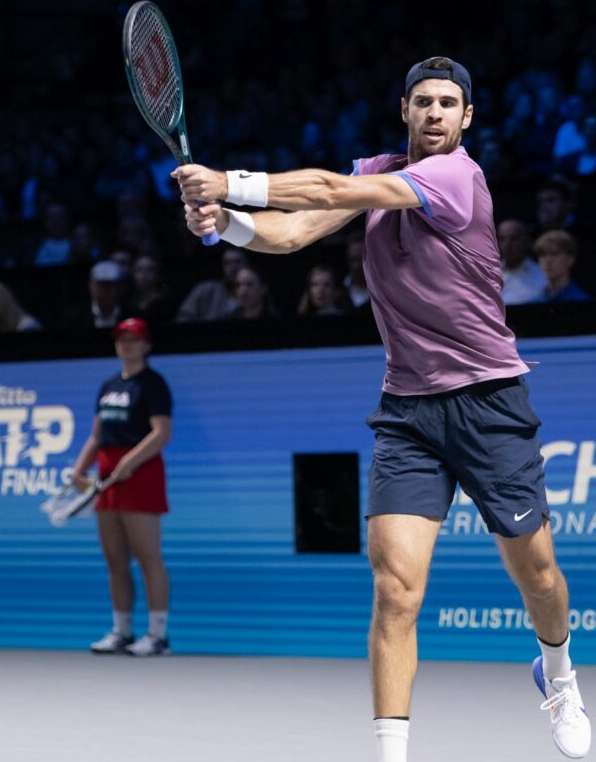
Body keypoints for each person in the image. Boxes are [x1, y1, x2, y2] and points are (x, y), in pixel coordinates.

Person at [173, 56, 590, 761]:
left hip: (489, 402)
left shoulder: (457, 178)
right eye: (422, 101)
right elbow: (294, 233)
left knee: (539, 574)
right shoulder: (377, 171)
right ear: (405, 111)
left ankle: (558, 674)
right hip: (407, 413)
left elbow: (332, 188)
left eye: (448, 103)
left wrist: (230, 183)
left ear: (467, 118)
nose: (435, 113)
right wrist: (227, 226)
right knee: (395, 589)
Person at [69, 317, 173, 657]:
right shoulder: (108, 385)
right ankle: (121, 631)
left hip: (140, 474)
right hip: (107, 477)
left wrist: (131, 461)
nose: (127, 345)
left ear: (146, 345)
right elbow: (97, 436)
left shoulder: (153, 384)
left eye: (134, 339)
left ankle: (157, 635)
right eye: (121, 339)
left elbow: (161, 433)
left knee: (148, 557)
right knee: (115, 559)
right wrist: (79, 470)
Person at [175, 246, 246, 322]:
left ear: (246, 264)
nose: (233, 266)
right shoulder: (205, 290)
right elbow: (184, 316)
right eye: (227, 263)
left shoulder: (253, 290)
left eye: (237, 262)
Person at [497, 218, 547, 305]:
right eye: (502, 239)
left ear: (527, 241)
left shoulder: (543, 274)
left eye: (514, 238)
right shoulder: (488, 274)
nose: (507, 244)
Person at [533, 230, 591, 303]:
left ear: (570, 259)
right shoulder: (535, 300)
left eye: (554, 254)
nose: (547, 261)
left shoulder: (581, 299)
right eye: (543, 255)